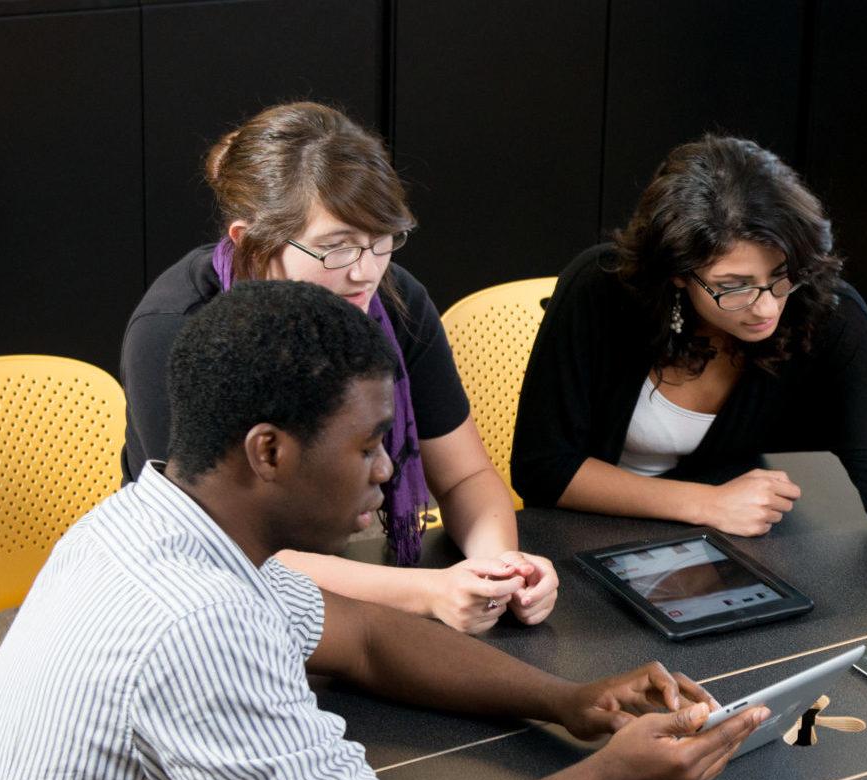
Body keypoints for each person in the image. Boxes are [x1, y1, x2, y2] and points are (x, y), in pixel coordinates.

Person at [0, 281, 764, 780]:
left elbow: (361, 638)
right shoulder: (195, 622)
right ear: (269, 452)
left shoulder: (146, 525)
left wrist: (568, 702)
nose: (389, 474)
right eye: (364, 447)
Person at [511, 135, 867, 620]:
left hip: (717, 550)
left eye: (780, 275)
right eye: (733, 286)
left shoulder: (825, 313)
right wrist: (705, 502)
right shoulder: (602, 293)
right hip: (582, 540)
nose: (765, 307)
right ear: (677, 271)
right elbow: (544, 470)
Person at [122, 102, 556, 635]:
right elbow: (224, 548)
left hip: (355, 571)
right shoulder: (174, 330)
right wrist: (429, 591)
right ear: (249, 242)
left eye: (381, 241)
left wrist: (498, 572)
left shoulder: (394, 301)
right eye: (336, 248)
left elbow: (465, 475)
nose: (365, 271)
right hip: (201, 599)